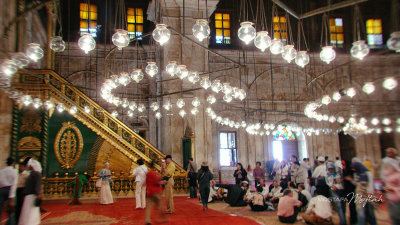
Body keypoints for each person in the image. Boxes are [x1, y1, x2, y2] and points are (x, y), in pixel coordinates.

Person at [350, 158, 377, 225]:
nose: (354, 170)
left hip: (369, 194)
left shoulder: (367, 173)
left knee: (370, 212)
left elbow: (371, 183)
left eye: (354, 168)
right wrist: (351, 180)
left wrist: (369, 192)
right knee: (360, 210)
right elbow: (357, 183)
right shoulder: (356, 174)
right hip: (360, 194)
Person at [18, 159, 42, 225]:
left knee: (28, 212)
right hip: (31, 196)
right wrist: (39, 194)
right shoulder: (36, 174)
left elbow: (35, 185)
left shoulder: (34, 174)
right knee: (30, 213)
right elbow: (37, 185)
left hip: (30, 196)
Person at [381, 157, 400, 225]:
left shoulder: (398, 175)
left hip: (397, 201)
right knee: (393, 219)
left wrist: (393, 189)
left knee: (397, 219)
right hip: (390, 200)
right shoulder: (388, 176)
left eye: (387, 167)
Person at [0, 157, 18, 224]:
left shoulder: (1, 171)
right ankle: (10, 223)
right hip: (10, 190)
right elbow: (14, 184)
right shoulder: (14, 171)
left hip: (1, 190)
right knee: (11, 209)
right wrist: (12, 196)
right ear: (12, 163)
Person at [16, 158, 30, 224]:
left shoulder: (26, 175)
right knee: (17, 206)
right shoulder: (16, 173)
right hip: (17, 190)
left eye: (21, 166)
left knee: (22, 206)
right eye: (20, 166)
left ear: (24, 167)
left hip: (23, 190)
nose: (20, 168)